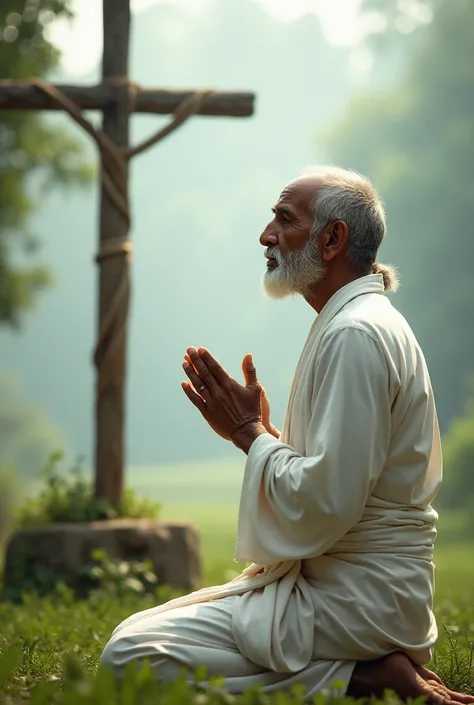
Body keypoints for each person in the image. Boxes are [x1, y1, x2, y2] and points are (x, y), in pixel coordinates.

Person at [101, 166, 473, 704]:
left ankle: (364, 680)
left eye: (283, 218)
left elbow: (326, 501)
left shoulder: (356, 334)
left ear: (332, 239)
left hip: (359, 601)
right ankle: (359, 675)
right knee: (132, 639)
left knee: (129, 657)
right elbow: (340, 480)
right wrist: (259, 434)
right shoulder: (355, 322)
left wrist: (253, 434)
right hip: (358, 594)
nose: (266, 235)